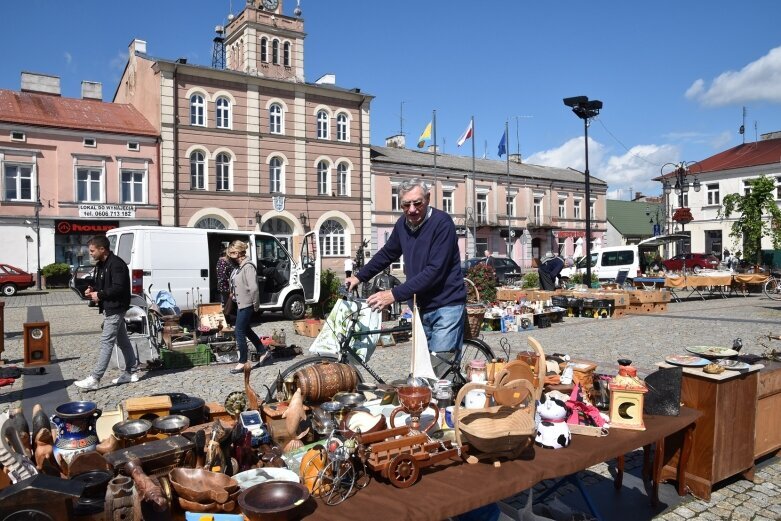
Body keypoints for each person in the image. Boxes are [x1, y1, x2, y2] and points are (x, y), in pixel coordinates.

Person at [345, 178, 466, 362]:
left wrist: (394, 294)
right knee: (423, 367)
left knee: (440, 368)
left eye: (417, 203)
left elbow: (434, 271)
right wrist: (359, 277)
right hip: (420, 307)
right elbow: (387, 253)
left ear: (428, 198)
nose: (411, 209)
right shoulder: (403, 224)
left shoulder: (442, 223)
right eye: (405, 205)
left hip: (446, 304)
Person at [75, 235, 139, 390]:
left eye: (92, 251)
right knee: (122, 341)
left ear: (102, 249)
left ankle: (95, 378)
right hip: (110, 307)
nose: (90, 253)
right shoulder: (102, 264)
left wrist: (100, 295)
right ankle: (131, 372)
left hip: (116, 308)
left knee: (106, 342)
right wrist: (93, 290)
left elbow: (118, 288)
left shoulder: (116, 264)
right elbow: (102, 284)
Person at [227, 240, 270, 374]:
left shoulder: (248, 266)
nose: (230, 258)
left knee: (239, 331)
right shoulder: (239, 267)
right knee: (245, 330)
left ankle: (243, 361)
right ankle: (263, 351)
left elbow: (254, 288)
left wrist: (256, 305)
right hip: (241, 303)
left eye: (231, 254)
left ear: (238, 253)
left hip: (247, 304)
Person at [216, 245, 234, 322]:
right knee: (227, 303)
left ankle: (227, 318)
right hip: (225, 286)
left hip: (226, 285)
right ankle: (226, 319)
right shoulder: (223, 261)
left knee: (227, 302)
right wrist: (230, 282)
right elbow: (222, 275)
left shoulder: (225, 261)